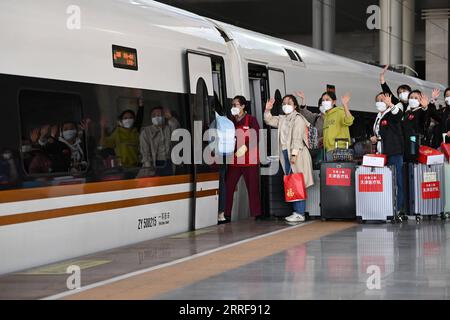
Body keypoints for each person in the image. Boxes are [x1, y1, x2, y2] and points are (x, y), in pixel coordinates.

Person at [264, 94, 314, 223]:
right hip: (285, 153)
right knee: (292, 181)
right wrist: (267, 110)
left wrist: (293, 155)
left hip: (296, 154)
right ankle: (296, 211)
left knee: (297, 182)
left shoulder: (298, 119)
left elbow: (297, 139)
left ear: (295, 106)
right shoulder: (283, 119)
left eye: (289, 102)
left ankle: (299, 212)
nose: (286, 105)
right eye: (284, 103)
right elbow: (269, 120)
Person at [224, 96, 262, 222]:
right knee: (228, 187)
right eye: (232, 105)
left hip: (249, 160)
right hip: (234, 161)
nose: (233, 107)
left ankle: (257, 213)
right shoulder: (230, 121)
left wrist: (245, 148)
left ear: (243, 106)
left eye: (236, 105)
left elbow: (255, 136)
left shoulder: (251, 120)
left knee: (253, 188)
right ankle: (226, 214)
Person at [370, 93, 405, 215]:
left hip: (394, 151)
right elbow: (380, 133)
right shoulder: (378, 116)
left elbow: (399, 115)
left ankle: (399, 208)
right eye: (378, 100)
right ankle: (386, 206)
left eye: (383, 99)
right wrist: (375, 138)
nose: (380, 102)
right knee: (386, 180)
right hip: (381, 153)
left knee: (397, 180)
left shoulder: (391, 113)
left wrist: (391, 105)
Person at [140, 106, 180, 176]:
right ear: (151, 118)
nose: (157, 117)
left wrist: (170, 118)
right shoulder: (146, 131)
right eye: (154, 115)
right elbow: (145, 152)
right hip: (154, 164)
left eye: (159, 115)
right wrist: (149, 169)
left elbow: (176, 127)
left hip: (169, 162)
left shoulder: (168, 128)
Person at [321, 91, 354, 161]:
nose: (324, 102)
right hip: (329, 150)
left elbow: (349, 121)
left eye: (327, 100)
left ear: (334, 102)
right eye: (323, 100)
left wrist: (345, 105)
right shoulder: (326, 116)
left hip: (340, 149)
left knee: (338, 171)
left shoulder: (339, 111)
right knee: (332, 171)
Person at [295, 91, 325, 167]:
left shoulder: (335, 119)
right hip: (314, 151)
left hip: (328, 152)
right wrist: (303, 99)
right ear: (319, 106)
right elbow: (305, 113)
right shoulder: (316, 117)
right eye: (321, 104)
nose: (324, 106)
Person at [402, 90, 429, 161]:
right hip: (405, 142)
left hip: (414, 141)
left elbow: (424, 118)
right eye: (411, 97)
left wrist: (424, 108)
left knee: (412, 161)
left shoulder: (420, 111)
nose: (413, 99)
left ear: (420, 100)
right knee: (406, 162)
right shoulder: (407, 112)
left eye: (416, 98)